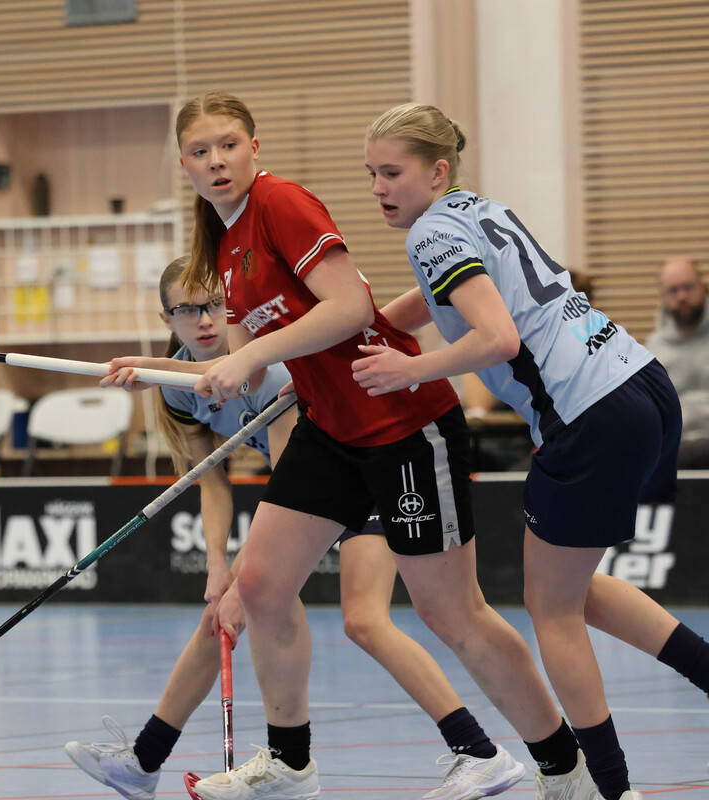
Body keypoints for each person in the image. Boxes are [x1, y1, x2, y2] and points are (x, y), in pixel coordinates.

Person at [105, 92, 583, 800]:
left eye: (229, 145)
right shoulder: (224, 243)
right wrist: (159, 370)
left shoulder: (281, 203)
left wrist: (249, 356)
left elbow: (350, 308)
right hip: (330, 428)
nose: (217, 161)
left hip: (402, 422)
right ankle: (290, 765)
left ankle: (563, 766)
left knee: (453, 613)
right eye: (201, 152)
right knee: (261, 587)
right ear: (184, 165)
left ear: (254, 148)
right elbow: (246, 370)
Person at [69, 257, 525, 800]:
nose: (206, 319)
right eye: (188, 310)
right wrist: (217, 563)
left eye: (215, 304)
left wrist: (243, 576)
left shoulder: (267, 370)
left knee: (364, 621)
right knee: (225, 612)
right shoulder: (178, 388)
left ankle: (477, 750)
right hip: (322, 489)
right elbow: (212, 480)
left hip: (358, 473)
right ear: (166, 319)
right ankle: (148, 761)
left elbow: (291, 484)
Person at [357, 102, 709, 800]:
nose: (377, 188)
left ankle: (611, 789)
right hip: (640, 382)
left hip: (586, 413)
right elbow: (437, 299)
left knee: (551, 609)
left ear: (437, 171)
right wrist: (355, 337)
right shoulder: (477, 210)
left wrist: (407, 369)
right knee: (571, 592)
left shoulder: (429, 232)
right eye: (370, 173)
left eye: (391, 172)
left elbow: (496, 338)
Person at [644, 257, 709, 468]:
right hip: (672, 452)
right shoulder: (652, 349)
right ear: (662, 296)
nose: (681, 296)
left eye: (688, 287)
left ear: (703, 287)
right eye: (673, 290)